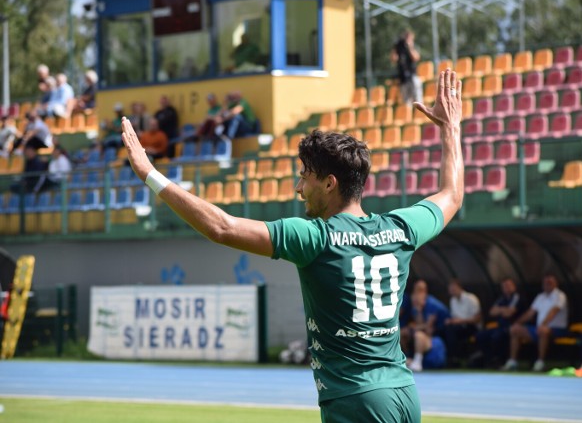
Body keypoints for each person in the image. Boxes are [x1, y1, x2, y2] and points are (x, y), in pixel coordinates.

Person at [120, 68, 464, 422]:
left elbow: (221, 227)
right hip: (404, 394)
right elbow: (452, 196)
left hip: (357, 401)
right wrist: (450, 129)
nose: (299, 188)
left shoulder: (316, 237)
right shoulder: (400, 228)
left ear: (330, 183)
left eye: (304, 176)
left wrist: (149, 173)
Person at [502, 274, 568, 372]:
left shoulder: (560, 296)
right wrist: (517, 323)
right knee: (514, 329)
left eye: (550, 282)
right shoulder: (540, 297)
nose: (547, 285)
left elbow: (553, 311)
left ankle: (540, 362)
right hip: (538, 328)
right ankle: (512, 362)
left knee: (543, 330)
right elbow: (530, 313)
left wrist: (543, 324)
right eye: (545, 283)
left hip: (556, 329)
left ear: (555, 283)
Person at [472, 277, 527, 368]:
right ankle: (488, 359)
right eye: (504, 286)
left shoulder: (517, 297)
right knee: (480, 335)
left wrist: (501, 310)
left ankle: (500, 360)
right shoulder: (502, 298)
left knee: (497, 336)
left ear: (514, 286)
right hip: (500, 326)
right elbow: (492, 311)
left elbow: (509, 314)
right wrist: (504, 310)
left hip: (512, 327)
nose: (507, 288)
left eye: (509, 285)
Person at [399, 279, 450, 372]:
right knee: (402, 333)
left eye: (419, 291)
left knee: (418, 335)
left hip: (438, 339)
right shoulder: (416, 307)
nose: (415, 295)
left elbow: (428, 330)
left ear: (424, 292)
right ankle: (406, 358)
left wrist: (413, 327)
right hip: (426, 336)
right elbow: (419, 324)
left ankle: (417, 362)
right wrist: (418, 311)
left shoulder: (432, 304)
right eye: (415, 291)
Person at [443, 278, 482, 366]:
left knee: (452, 331)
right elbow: (455, 317)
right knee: (447, 329)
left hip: (472, 327)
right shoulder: (452, 300)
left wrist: (460, 321)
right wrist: (451, 321)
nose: (451, 290)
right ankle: (453, 359)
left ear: (460, 287)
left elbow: (477, 319)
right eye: (450, 289)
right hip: (459, 327)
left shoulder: (471, 298)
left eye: (454, 288)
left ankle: (455, 358)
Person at [391, 30, 423, 104]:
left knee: (417, 100)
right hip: (403, 78)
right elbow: (393, 59)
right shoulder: (400, 47)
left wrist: (410, 47)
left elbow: (416, 58)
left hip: (413, 76)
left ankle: (419, 113)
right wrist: (395, 48)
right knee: (406, 102)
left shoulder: (414, 46)